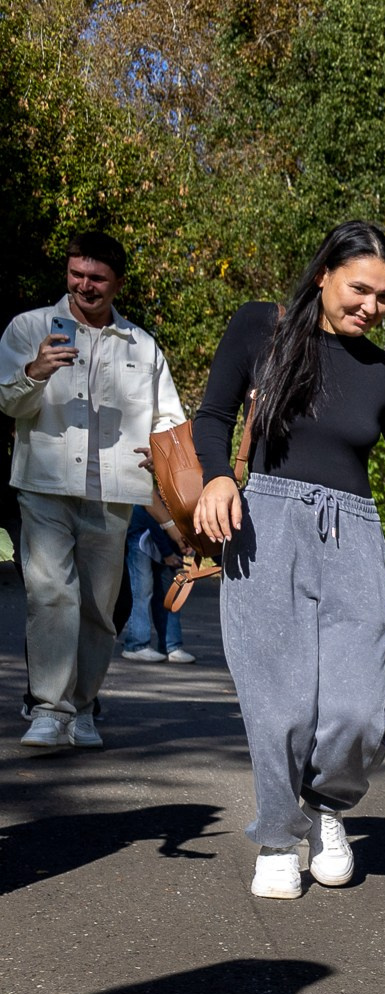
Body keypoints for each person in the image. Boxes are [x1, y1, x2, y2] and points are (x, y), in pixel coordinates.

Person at [190, 220, 385, 901]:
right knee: (278, 706)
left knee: (360, 712)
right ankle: (278, 838)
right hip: (264, 527)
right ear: (323, 276)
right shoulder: (261, 330)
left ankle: (326, 805)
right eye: (360, 289)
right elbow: (212, 414)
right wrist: (218, 476)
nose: (371, 305)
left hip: (353, 538)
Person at [2, 232, 187, 750]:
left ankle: (82, 708)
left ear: (117, 283)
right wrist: (34, 372)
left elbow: (170, 418)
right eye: (76, 274)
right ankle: (48, 708)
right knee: (51, 594)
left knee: (99, 611)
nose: (84, 285)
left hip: (113, 492)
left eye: (96, 277)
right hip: (44, 483)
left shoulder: (143, 347)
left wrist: (165, 455)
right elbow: (7, 403)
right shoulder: (30, 328)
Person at [118, 505, 194, 663]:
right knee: (142, 589)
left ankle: (171, 646)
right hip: (141, 533)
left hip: (166, 539)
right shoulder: (156, 488)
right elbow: (151, 515)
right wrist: (167, 553)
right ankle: (136, 644)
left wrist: (178, 552)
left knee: (169, 593)